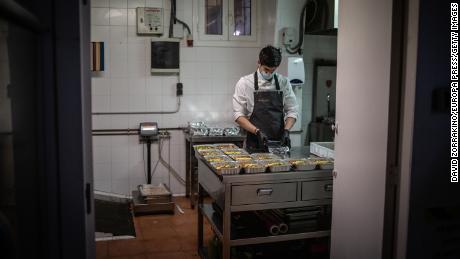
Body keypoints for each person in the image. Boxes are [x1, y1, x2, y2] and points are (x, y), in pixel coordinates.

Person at [233, 45, 299, 151]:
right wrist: (257, 131)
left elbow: (292, 110)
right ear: (258, 62)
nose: (269, 73)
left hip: (279, 143)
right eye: (266, 69)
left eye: (273, 70)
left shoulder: (284, 82)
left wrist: (286, 130)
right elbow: (238, 115)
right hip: (255, 142)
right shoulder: (245, 83)